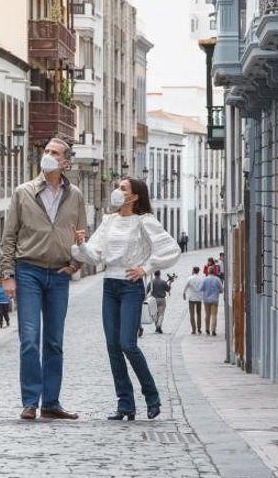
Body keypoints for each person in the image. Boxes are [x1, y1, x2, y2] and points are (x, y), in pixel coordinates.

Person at [72, 178, 180, 421]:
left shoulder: (145, 221)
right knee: (112, 346)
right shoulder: (109, 220)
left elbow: (171, 249)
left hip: (131, 286)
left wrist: (146, 268)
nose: (117, 191)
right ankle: (125, 405)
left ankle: (152, 397)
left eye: (123, 189)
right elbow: (96, 256)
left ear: (135, 197)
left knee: (127, 344)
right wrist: (81, 245)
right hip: (110, 285)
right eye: (118, 187)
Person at [0, 137, 87, 421]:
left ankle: (51, 402)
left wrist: (75, 263)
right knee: (29, 340)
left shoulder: (75, 196)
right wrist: (7, 275)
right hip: (29, 272)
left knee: (54, 341)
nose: (48, 155)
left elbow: (82, 234)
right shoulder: (22, 193)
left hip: (59, 274)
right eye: (46, 150)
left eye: (55, 152)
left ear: (65, 162)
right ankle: (29, 402)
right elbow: (8, 236)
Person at [201, 269, 224, 336]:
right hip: (214, 300)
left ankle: (207, 329)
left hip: (206, 300)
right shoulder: (217, 279)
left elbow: (201, 288)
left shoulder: (205, 279)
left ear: (208, 272)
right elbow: (221, 290)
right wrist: (217, 292)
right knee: (214, 315)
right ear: (214, 272)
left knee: (207, 315)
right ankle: (213, 330)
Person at [183, 267, 204, 335]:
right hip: (199, 298)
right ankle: (199, 328)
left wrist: (184, 294)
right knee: (199, 314)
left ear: (193, 271)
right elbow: (203, 288)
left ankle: (193, 329)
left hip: (191, 298)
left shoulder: (189, 278)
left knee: (192, 314)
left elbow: (185, 287)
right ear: (198, 271)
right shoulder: (201, 279)